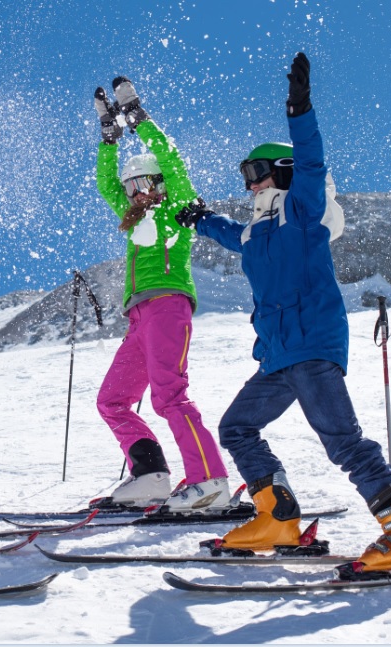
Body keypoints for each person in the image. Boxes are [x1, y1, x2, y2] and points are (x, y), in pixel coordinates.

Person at [176, 52, 391, 577]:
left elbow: (312, 160)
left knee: (342, 441)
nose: (250, 184)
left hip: (311, 346)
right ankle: (277, 517)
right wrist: (196, 217)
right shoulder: (255, 232)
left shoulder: (303, 214)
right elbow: (224, 232)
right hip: (278, 357)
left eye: (256, 172)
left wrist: (299, 109)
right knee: (237, 428)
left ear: (279, 173)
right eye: (245, 175)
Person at [92, 76, 231, 512]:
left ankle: (209, 482)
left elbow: (172, 159)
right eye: (131, 188)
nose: (134, 194)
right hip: (138, 318)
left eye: (142, 185)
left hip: (169, 307)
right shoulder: (132, 217)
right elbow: (105, 185)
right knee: (113, 399)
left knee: (169, 395)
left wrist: (138, 119)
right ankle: (150, 476)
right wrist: (108, 140)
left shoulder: (175, 206)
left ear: (160, 184)